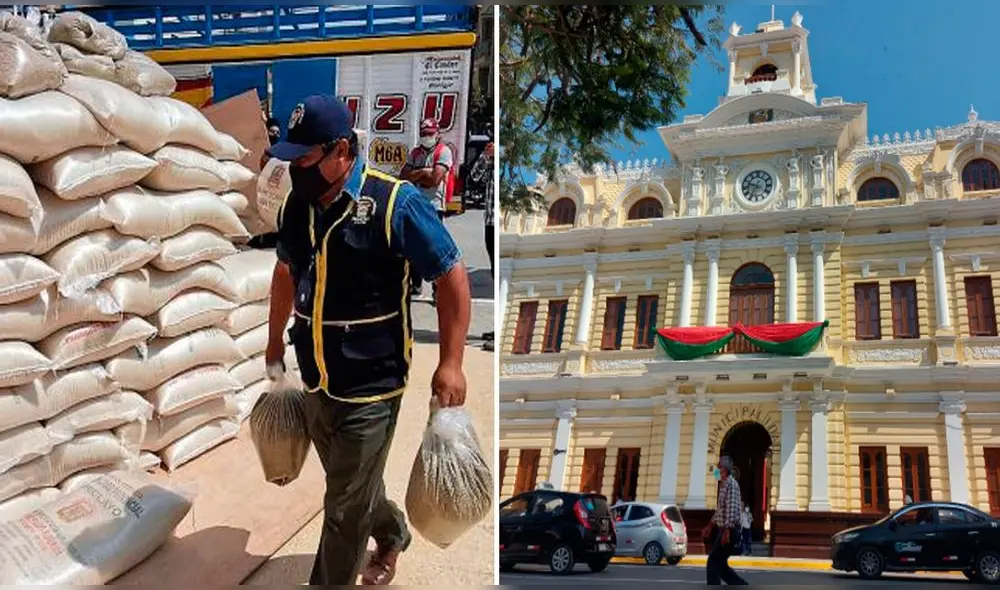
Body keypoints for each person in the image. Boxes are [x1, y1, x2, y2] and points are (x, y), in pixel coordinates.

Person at [264, 95, 472, 586]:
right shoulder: (299, 205)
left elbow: (451, 275)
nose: (296, 169)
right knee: (352, 482)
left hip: (373, 383)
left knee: (341, 508)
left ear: (341, 150)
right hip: (317, 375)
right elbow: (285, 272)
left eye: (306, 158)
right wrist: (274, 340)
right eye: (291, 159)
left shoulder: (395, 203)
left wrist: (453, 362)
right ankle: (394, 531)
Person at [400, 118, 453, 300]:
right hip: (415, 205)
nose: (426, 137)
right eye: (423, 134)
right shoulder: (415, 153)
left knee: (434, 248)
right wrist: (424, 172)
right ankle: (415, 285)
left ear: (437, 133)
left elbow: (435, 179)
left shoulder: (443, 152)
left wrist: (418, 174)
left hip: (434, 206)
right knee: (412, 246)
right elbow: (404, 177)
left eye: (429, 134)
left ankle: (438, 290)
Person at [702, 456, 749, 586]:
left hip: (729, 531)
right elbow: (720, 511)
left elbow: (731, 509)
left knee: (712, 563)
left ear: (723, 469)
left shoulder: (731, 484)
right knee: (721, 568)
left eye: (718, 467)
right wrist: (709, 526)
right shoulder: (724, 485)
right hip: (725, 530)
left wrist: (727, 531)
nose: (715, 470)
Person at [469, 140, 495, 350]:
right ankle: (496, 328)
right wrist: (486, 156)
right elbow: (475, 177)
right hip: (490, 222)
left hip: (500, 224)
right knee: (496, 275)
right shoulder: (491, 161)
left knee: (502, 276)